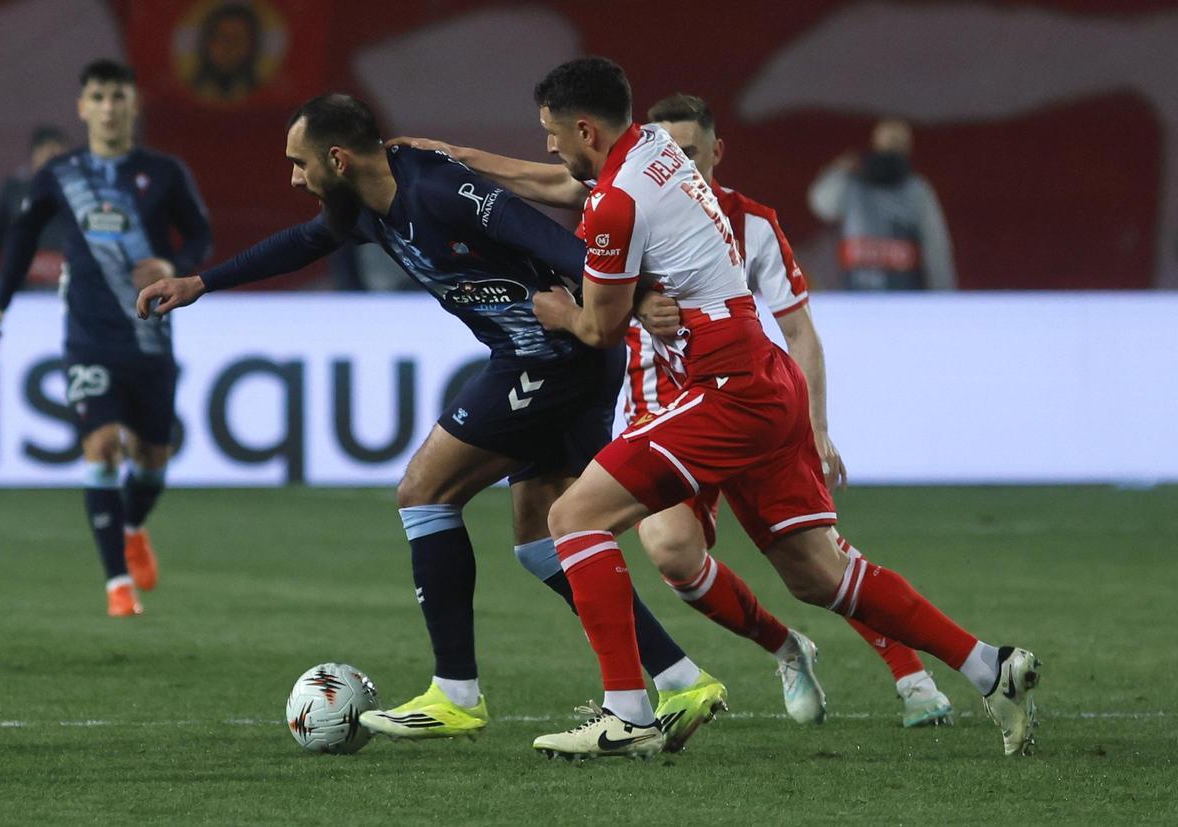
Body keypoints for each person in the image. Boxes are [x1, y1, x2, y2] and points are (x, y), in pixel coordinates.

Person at [434, 56, 1036, 760]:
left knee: (572, 516)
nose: (548, 146)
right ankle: (988, 665)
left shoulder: (616, 201)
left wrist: (560, 312)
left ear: (587, 130)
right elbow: (569, 185)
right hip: (764, 373)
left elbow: (598, 327)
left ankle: (626, 712)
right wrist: (465, 160)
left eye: (552, 131)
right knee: (819, 572)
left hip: (722, 387)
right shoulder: (657, 150)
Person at [136, 93, 729, 751]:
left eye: (300, 164)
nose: (294, 179)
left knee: (424, 492)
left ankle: (455, 692)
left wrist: (636, 294)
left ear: (337, 157)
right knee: (545, 542)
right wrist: (201, 282)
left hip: (551, 353)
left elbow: (545, 237)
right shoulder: (359, 206)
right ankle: (680, 677)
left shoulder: (438, 188)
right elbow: (302, 243)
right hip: (555, 359)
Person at [635, 94, 953, 728]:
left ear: (716, 152)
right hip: (666, 408)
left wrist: (815, 427)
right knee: (671, 550)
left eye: (691, 153)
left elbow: (799, 332)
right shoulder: (629, 216)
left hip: (743, 403)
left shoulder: (751, 224)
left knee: (816, 561)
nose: (679, 167)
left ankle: (908, 669)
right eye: (666, 155)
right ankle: (786, 648)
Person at [0, 59, 212, 617]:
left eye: (118, 96)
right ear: (83, 107)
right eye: (99, 97)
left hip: (149, 336)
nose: (109, 106)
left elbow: (201, 234)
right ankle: (117, 585)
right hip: (87, 336)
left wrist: (172, 263)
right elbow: (22, 235)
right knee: (102, 447)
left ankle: (132, 526)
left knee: (152, 459)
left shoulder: (165, 173)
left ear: (133, 105)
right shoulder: (60, 173)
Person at [808, 118, 956, 291]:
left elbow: (936, 249)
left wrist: (943, 297)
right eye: (887, 142)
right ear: (875, 143)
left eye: (897, 142)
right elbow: (822, 206)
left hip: (905, 296)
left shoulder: (917, 190)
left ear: (907, 148)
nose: (890, 150)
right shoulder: (853, 184)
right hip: (858, 292)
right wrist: (840, 171)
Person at [0, 126, 71, 291]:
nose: (53, 163)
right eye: (48, 155)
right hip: (21, 293)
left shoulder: (78, 195)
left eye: (60, 157)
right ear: (35, 155)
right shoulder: (12, 193)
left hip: (65, 290)